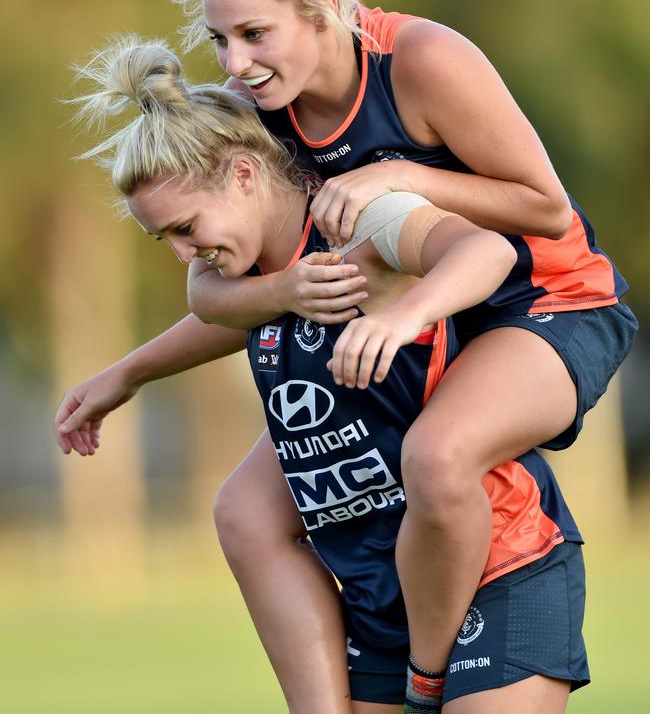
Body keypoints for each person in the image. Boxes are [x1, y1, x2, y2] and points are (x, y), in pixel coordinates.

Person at [171, 0, 636, 706]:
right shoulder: (272, 116)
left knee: (439, 451)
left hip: (547, 305)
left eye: (253, 34)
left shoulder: (421, 60)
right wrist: (122, 375)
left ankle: (426, 676)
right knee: (246, 506)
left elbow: (541, 207)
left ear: (321, 10)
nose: (233, 64)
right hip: (441, 308)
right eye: (219, 40)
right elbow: (245, 285)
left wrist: (397, 176)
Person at [57, 38, 589, 713]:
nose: (186, 253)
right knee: (242, 511)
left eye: (187, 227)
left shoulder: (358, 224)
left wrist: (404, 317)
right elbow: (226, 316)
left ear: (246, 175)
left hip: (499, 564)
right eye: (169, 239)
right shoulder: (255, 285)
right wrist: (127, 374)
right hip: (377, 592)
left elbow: (482, 250)